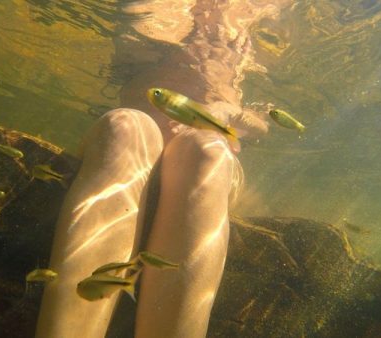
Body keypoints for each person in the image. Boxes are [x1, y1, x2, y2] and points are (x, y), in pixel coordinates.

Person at [36, 1, 287, 337]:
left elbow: (266, 118)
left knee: (207, 151)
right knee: (125, 126)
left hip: (212, 152)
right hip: (140, 143)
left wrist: (228, 111)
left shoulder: (272, 9)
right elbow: (124, 68)